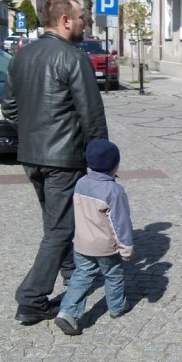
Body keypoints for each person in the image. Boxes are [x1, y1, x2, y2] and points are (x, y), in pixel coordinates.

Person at [2, 0, 109, 325]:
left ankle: (71, 271)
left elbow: (9, 109)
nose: (83, 23)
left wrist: (34, 134)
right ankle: (31, 299)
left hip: (31, 157)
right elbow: (91, 115)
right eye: (80, 18)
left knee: (56, 224)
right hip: (63, 158)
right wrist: (102, 161)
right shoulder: (73, 58)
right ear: (65, 20)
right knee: (60, 228)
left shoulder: (22, 56)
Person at [54, 139, 134, 336]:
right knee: (113, 275)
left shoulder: (81, 183)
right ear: (115, 165)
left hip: (81, 243)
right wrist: (126, 247)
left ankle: (68, 312)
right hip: (105, 246)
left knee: (82, 275)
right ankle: (117, 307)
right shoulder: (114, 191)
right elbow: (120, 223)